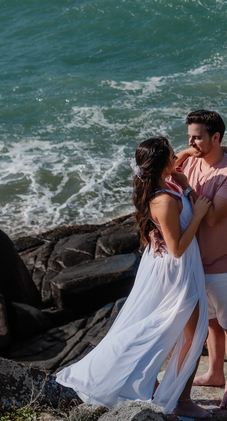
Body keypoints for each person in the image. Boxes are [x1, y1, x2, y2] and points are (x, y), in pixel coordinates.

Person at [56, 137, 214, 419]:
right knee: (185, 334)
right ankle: (180, 400)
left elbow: (174, 162)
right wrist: (198, 214)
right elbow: (177, 248)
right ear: (162, 164)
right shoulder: (164, 199)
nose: (178, 156)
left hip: (170, 266)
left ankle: (163, 390)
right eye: (172, 154)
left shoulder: (163, 183)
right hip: (176, 270)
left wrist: (192, 151)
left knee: (169, 329)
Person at [174, 109, 227, 410]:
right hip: (193, 263)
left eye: (197, 137)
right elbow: (167, 167)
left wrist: (187, 187)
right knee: (210, 322)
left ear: (216, 138)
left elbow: (214, 217)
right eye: (188, 136)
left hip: (225, 263)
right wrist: (186, 151)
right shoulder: (189, 160)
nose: (191, 142)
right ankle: (215, 373)